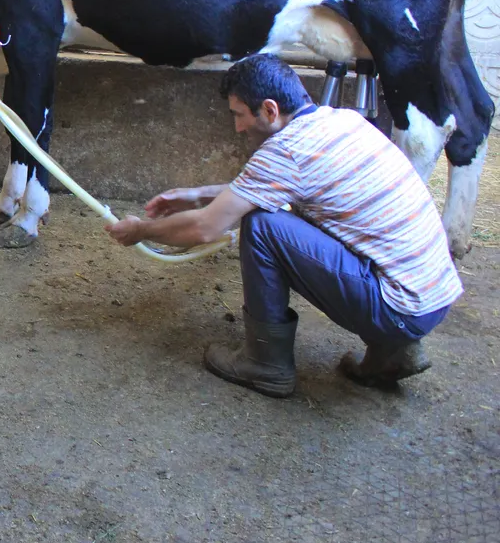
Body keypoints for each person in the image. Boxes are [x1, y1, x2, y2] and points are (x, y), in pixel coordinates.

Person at [105, 53, 462, 397]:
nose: (238, 127)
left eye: (240, 114)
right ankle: (395, 351)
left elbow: (205, 229)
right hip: (430, 298)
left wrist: (141, 231)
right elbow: (267, 187)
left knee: (262, 225)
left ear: (271, 110)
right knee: (293, 216)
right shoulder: (340, 120)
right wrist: (198, 194)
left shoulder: (286, 150)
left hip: (397, 308)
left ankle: (266, 365)